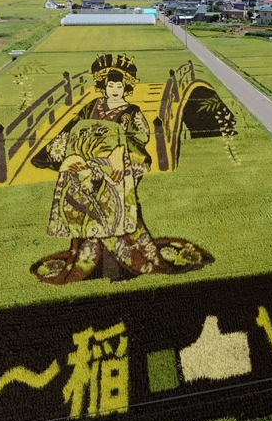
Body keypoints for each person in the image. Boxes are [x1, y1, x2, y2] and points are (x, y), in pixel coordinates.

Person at [30, 54, 213, 284]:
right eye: (110, 85)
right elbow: (72, 130)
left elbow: (140, 138)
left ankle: (123, 269)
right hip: (87, 169)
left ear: (125, 87)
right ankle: (89, 265)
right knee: (88, 214)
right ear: (103, 86)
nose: (114, 90)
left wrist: (118, 154)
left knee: (118, 215)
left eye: (118, 86)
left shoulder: (131, 111)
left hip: (117, 170)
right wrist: (71, 158)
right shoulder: (91, 106)